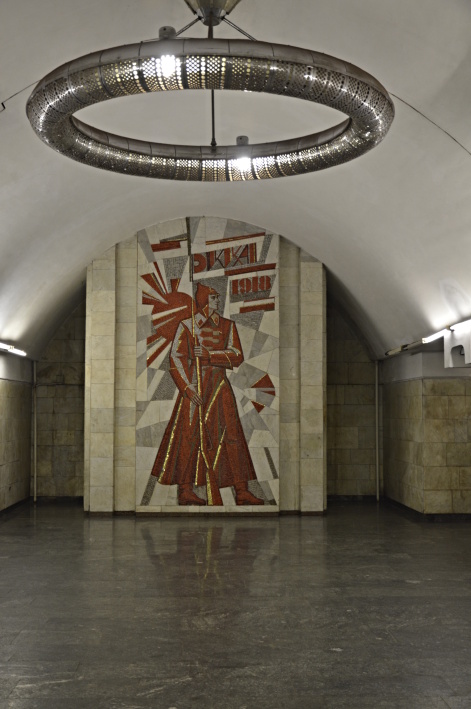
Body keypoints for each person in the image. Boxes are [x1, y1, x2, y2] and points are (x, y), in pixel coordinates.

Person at [151, 283, 264, 506]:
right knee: (188, 435)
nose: (218, 301)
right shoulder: (187, 326)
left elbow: (237, 355)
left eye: (218, 297)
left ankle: (241, 490)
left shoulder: (227, 326)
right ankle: (185, 490)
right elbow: (176, 359)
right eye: (213, 297)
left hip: (219, 387)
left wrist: (210, 355)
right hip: (195, 388)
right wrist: (187, 388)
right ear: (203, 300)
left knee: (232, 434)